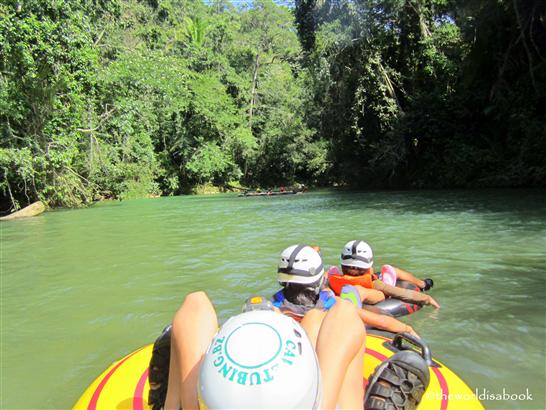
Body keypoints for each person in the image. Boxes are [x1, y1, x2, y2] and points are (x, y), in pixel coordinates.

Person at [155, 290, 429, 410]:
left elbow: (196, 302)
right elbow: (346, 312)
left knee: (196, 302)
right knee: (327, 317)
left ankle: (176, 402)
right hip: (316, 394)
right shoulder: (341, 294)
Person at [272, 244, 421, 338]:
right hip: (329, 343)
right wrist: (407, 329)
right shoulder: (331, 303)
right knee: (350, 304)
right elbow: (382, 322)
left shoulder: (273, 308)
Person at [328, 240, 440, 309]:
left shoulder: (331, 281)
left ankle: (422, 284)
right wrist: (427, 299)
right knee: (392, 271)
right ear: (368, 267)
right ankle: (423, 284)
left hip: (344, 287)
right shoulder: (374, 284)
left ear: (342, 266)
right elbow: (401, 293)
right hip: (380, 292)